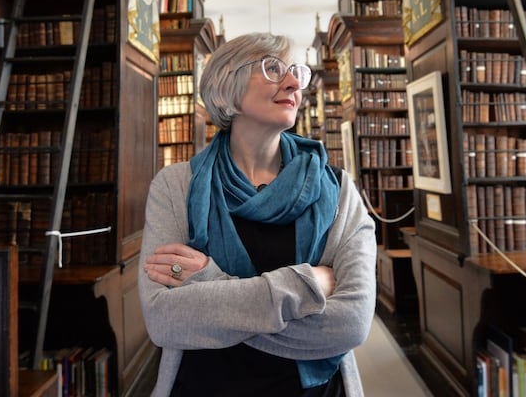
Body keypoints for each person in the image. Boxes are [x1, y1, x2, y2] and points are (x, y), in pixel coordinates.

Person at [139, 32, 377, 396]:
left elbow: (350, 324)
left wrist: (208, 285)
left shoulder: (340, 191)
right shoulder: (175, 187)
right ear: (226, 84)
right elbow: (165, 320)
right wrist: (306, 285)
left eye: (298, 71)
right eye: (273, 68)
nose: (295, 82)